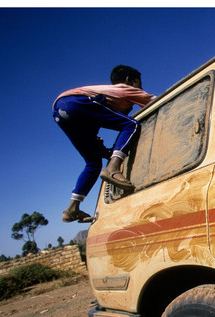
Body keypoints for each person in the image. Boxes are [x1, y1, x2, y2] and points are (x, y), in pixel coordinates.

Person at [53, 65, 155, 223]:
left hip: (61, 110)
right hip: (75, 103)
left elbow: (94, 118)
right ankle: (113, 168)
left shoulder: (105, 99)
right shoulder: (125, 89)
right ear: (129, 80)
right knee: (131, 125)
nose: (140, 88)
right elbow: (155, 101)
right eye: (139, 83)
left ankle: (72, 209)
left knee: (93, 162)